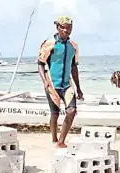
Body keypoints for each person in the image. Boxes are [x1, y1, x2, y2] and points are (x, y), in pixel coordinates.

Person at [37, 16, 83, 148]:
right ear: (57, 27)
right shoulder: (49, 43)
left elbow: (74, 67)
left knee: (72, 111)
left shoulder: (73, 46)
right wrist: (44, 81)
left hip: (67, 85)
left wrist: (79, 88)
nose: (66, 30)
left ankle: (61, 141)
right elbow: (40, 64)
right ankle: (54, 138)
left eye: (69, 28)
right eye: (63, 27)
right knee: (55, 114)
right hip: (52, 84)